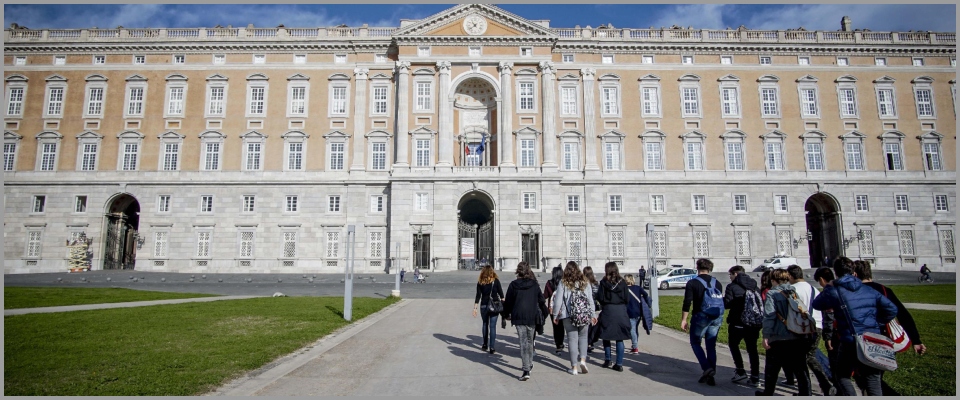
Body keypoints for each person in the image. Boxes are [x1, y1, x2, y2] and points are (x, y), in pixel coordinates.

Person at [812, 257, 898, 396]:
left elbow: (817, 304)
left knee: (842, 375)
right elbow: (892, 309)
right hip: (871, 339)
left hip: (850, 341)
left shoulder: (835, 290)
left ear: (836, 272)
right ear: (854, 272)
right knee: (872, 381)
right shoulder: (868, 290)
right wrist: (877, 323)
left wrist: (828, 286)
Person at [854, 260, 927, 396]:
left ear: (854, 274)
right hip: (884, 339)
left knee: (867, 379)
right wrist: (916, 340)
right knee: (874, 377)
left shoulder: (854, 292)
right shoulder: (884, 290)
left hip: (863, 339)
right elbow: (904, 315)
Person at [756, 269, 813, 396]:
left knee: (772, 367)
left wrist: (766, 336)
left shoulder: (772, 293)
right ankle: (806, 393)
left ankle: (768, 392)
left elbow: (769, 316)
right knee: (800, 367)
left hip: (778, 335)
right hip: (796, 333)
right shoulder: (793, 292)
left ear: (773, 280)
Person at [787, 264, 835, 396]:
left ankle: (807, 390)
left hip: (800, 327)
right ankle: (825, 385)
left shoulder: (791, 289)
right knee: (810, 356)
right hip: (817, 325)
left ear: (790, 276)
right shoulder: (814, 289)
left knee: (799, 360)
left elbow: (792, 309)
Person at [680, 258, 724, 386]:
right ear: (710, 268)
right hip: (716, 316)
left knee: (695, 342)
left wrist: (684, 319)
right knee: (711, 345)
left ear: (697, 267)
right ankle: (711, 375)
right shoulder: (718, 283)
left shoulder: (693, 283)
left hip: (701, 316)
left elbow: (687, 302)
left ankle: (707, 368)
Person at [551, 261, 598, 375]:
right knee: (583, 338)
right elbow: (590, 300)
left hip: (568, 315)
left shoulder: (563, 282)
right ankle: (582, 360)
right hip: (584, 314)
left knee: (572, 340)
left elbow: (558, 301)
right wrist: (593, 314)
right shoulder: (585, 282)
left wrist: (555, 315)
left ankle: (574, 367)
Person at [503, 261, 547, 382]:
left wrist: (506, 314)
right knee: (529, 341)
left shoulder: (513, 285)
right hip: (531, 316)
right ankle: (529, 364)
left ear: (518, 271)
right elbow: (541, 300)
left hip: (518, 317)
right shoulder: (534, 285)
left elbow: (508, 302)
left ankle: (526, 369)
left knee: (523, 342)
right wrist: (545, 312)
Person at [723, 265, 762, 387]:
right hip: (753, 323)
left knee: (734, 345)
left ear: (735, 274)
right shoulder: (754, 285)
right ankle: (755, 377)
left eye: (730, 275)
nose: (729, 277)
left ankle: (740, 370)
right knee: (752, 349)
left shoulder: (732, 287)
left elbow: (727, 304)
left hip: (738, 322)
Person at [596, 262, 631, 372]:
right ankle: (619, 363)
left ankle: (608, 360)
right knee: (619, 338)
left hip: (608, 310)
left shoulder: (603, 282)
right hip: (620, 310)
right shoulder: (623, 283)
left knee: (606, 336)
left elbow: (600, 297)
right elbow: (627, 298)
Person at [813, 267, 841, 392]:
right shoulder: (840, 288)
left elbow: (829, 316)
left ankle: (839, 389)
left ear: (821, 279)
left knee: (835, 364)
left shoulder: (829, 292)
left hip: (835, 332)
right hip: (844, 330)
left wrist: (828, 336)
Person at [473, 264, 504, 354]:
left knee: (485, 324)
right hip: (494, 305)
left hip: (484, 305)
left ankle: (484, 344)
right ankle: (492, 347)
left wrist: (475, 308)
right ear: (492, 271)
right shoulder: (496, 281)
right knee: (493, 326)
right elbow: (502, 296)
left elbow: (478, 296)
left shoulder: (480, 282)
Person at [624, 274, 652, 354]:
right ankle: (634, 345)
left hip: (630, 312)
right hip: (639, 312)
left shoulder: (624, 289)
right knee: (635, 329)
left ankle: (635, 347)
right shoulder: (638, 288)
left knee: (632, 330)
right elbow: (646, 295)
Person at [543, 265, 566, 355]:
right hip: (563, 307)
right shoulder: (565, 283)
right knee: (562, 327)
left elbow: (545, 295)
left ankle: (558, 345)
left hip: (552, 308)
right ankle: (561, 342)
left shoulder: (549, 283)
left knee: (556, 327)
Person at [582, 266, 601, 352]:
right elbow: (599, 295)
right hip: (595, 307)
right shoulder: (596, 283)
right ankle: (590, 342)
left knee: (587, 326)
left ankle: (586, 343)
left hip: (585, 307)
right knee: (593, 325)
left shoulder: (583, 283)